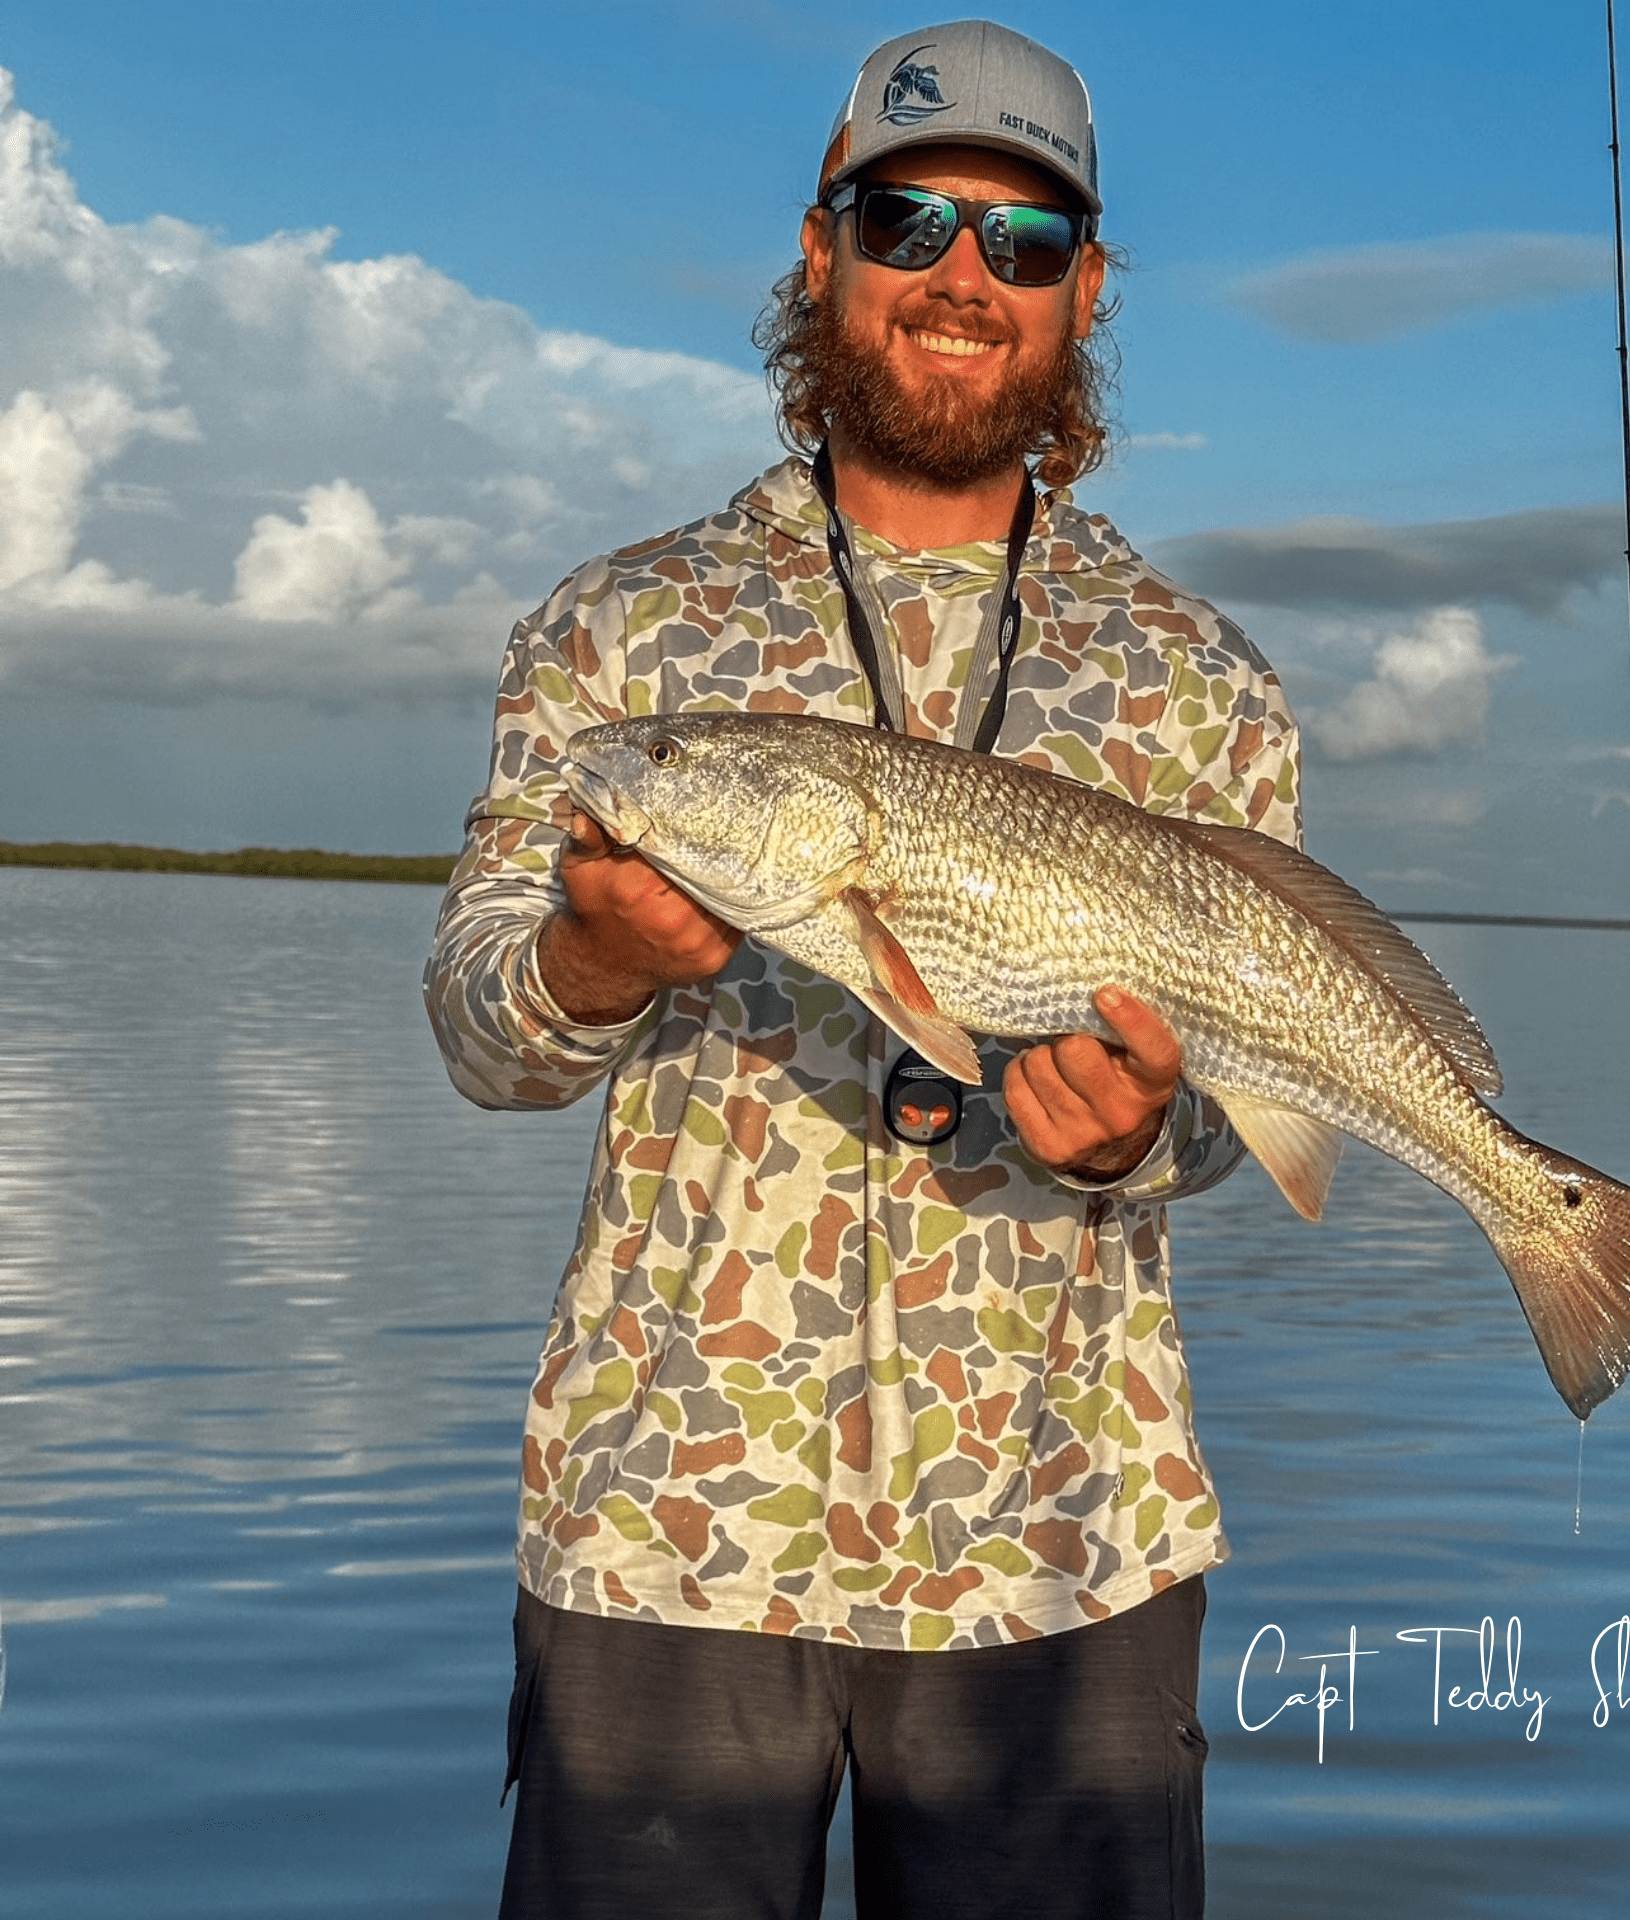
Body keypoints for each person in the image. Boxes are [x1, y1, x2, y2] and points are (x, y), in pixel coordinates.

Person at [425, 19, 1301, 1918]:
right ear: (819, 253)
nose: (961, 281)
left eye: (1025, 243)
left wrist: (1135, 1138)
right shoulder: (622, 630)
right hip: (671, 1529)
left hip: (1064, 1548)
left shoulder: (1202, 684)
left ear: (1084, 294)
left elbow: (1241, 1117)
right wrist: (585, 960)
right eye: (907, 223)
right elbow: (480, 1029)